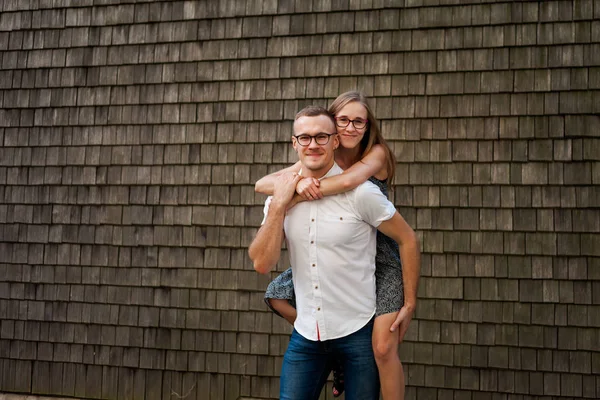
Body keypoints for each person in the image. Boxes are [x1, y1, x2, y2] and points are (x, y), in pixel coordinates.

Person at [248, 105, 420, 400]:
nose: (312, 144)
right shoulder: (281, 194)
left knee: (382, 356)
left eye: (321, 137)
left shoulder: (363, 192)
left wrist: (409, 300)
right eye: (304, 138)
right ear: (294, 143)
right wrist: (279, 204)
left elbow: (407, 239)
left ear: (335, 141)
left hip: (358, 333)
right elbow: (262, 263)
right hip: (306, 335)